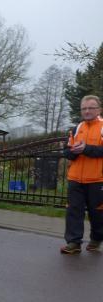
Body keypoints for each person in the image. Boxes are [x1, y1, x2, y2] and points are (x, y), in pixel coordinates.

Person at [61, 95, 103, 254]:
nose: (87, 111)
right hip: (75, 178)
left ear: (99, 109)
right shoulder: (76, 128)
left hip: (98, 179)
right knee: (73, 211)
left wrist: (86, 149)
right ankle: (74, 242)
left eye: (91, 108)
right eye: (84, 108)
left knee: (97, 213)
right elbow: (66, 152)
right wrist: (74, 151)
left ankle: (96, 239)